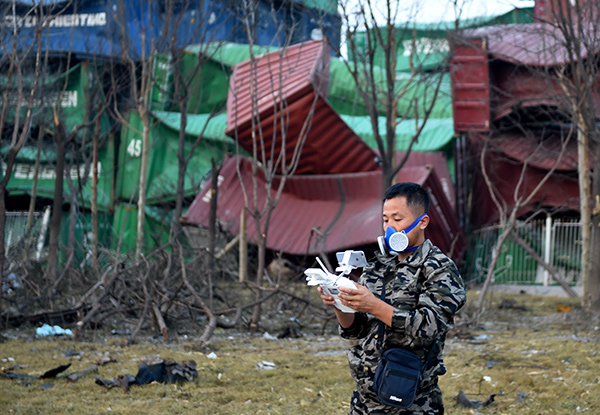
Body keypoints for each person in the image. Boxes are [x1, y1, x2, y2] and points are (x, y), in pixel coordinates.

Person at [319, 182, 466, 414]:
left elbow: (429, 326)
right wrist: (341, 302)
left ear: (423, 221)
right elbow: (355, 331)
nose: (390, 227)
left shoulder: (438, 268)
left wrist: (374, 306)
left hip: (412, 399)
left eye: (397, 219)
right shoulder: (377, 265)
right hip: (366, 396)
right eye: (386, 220)